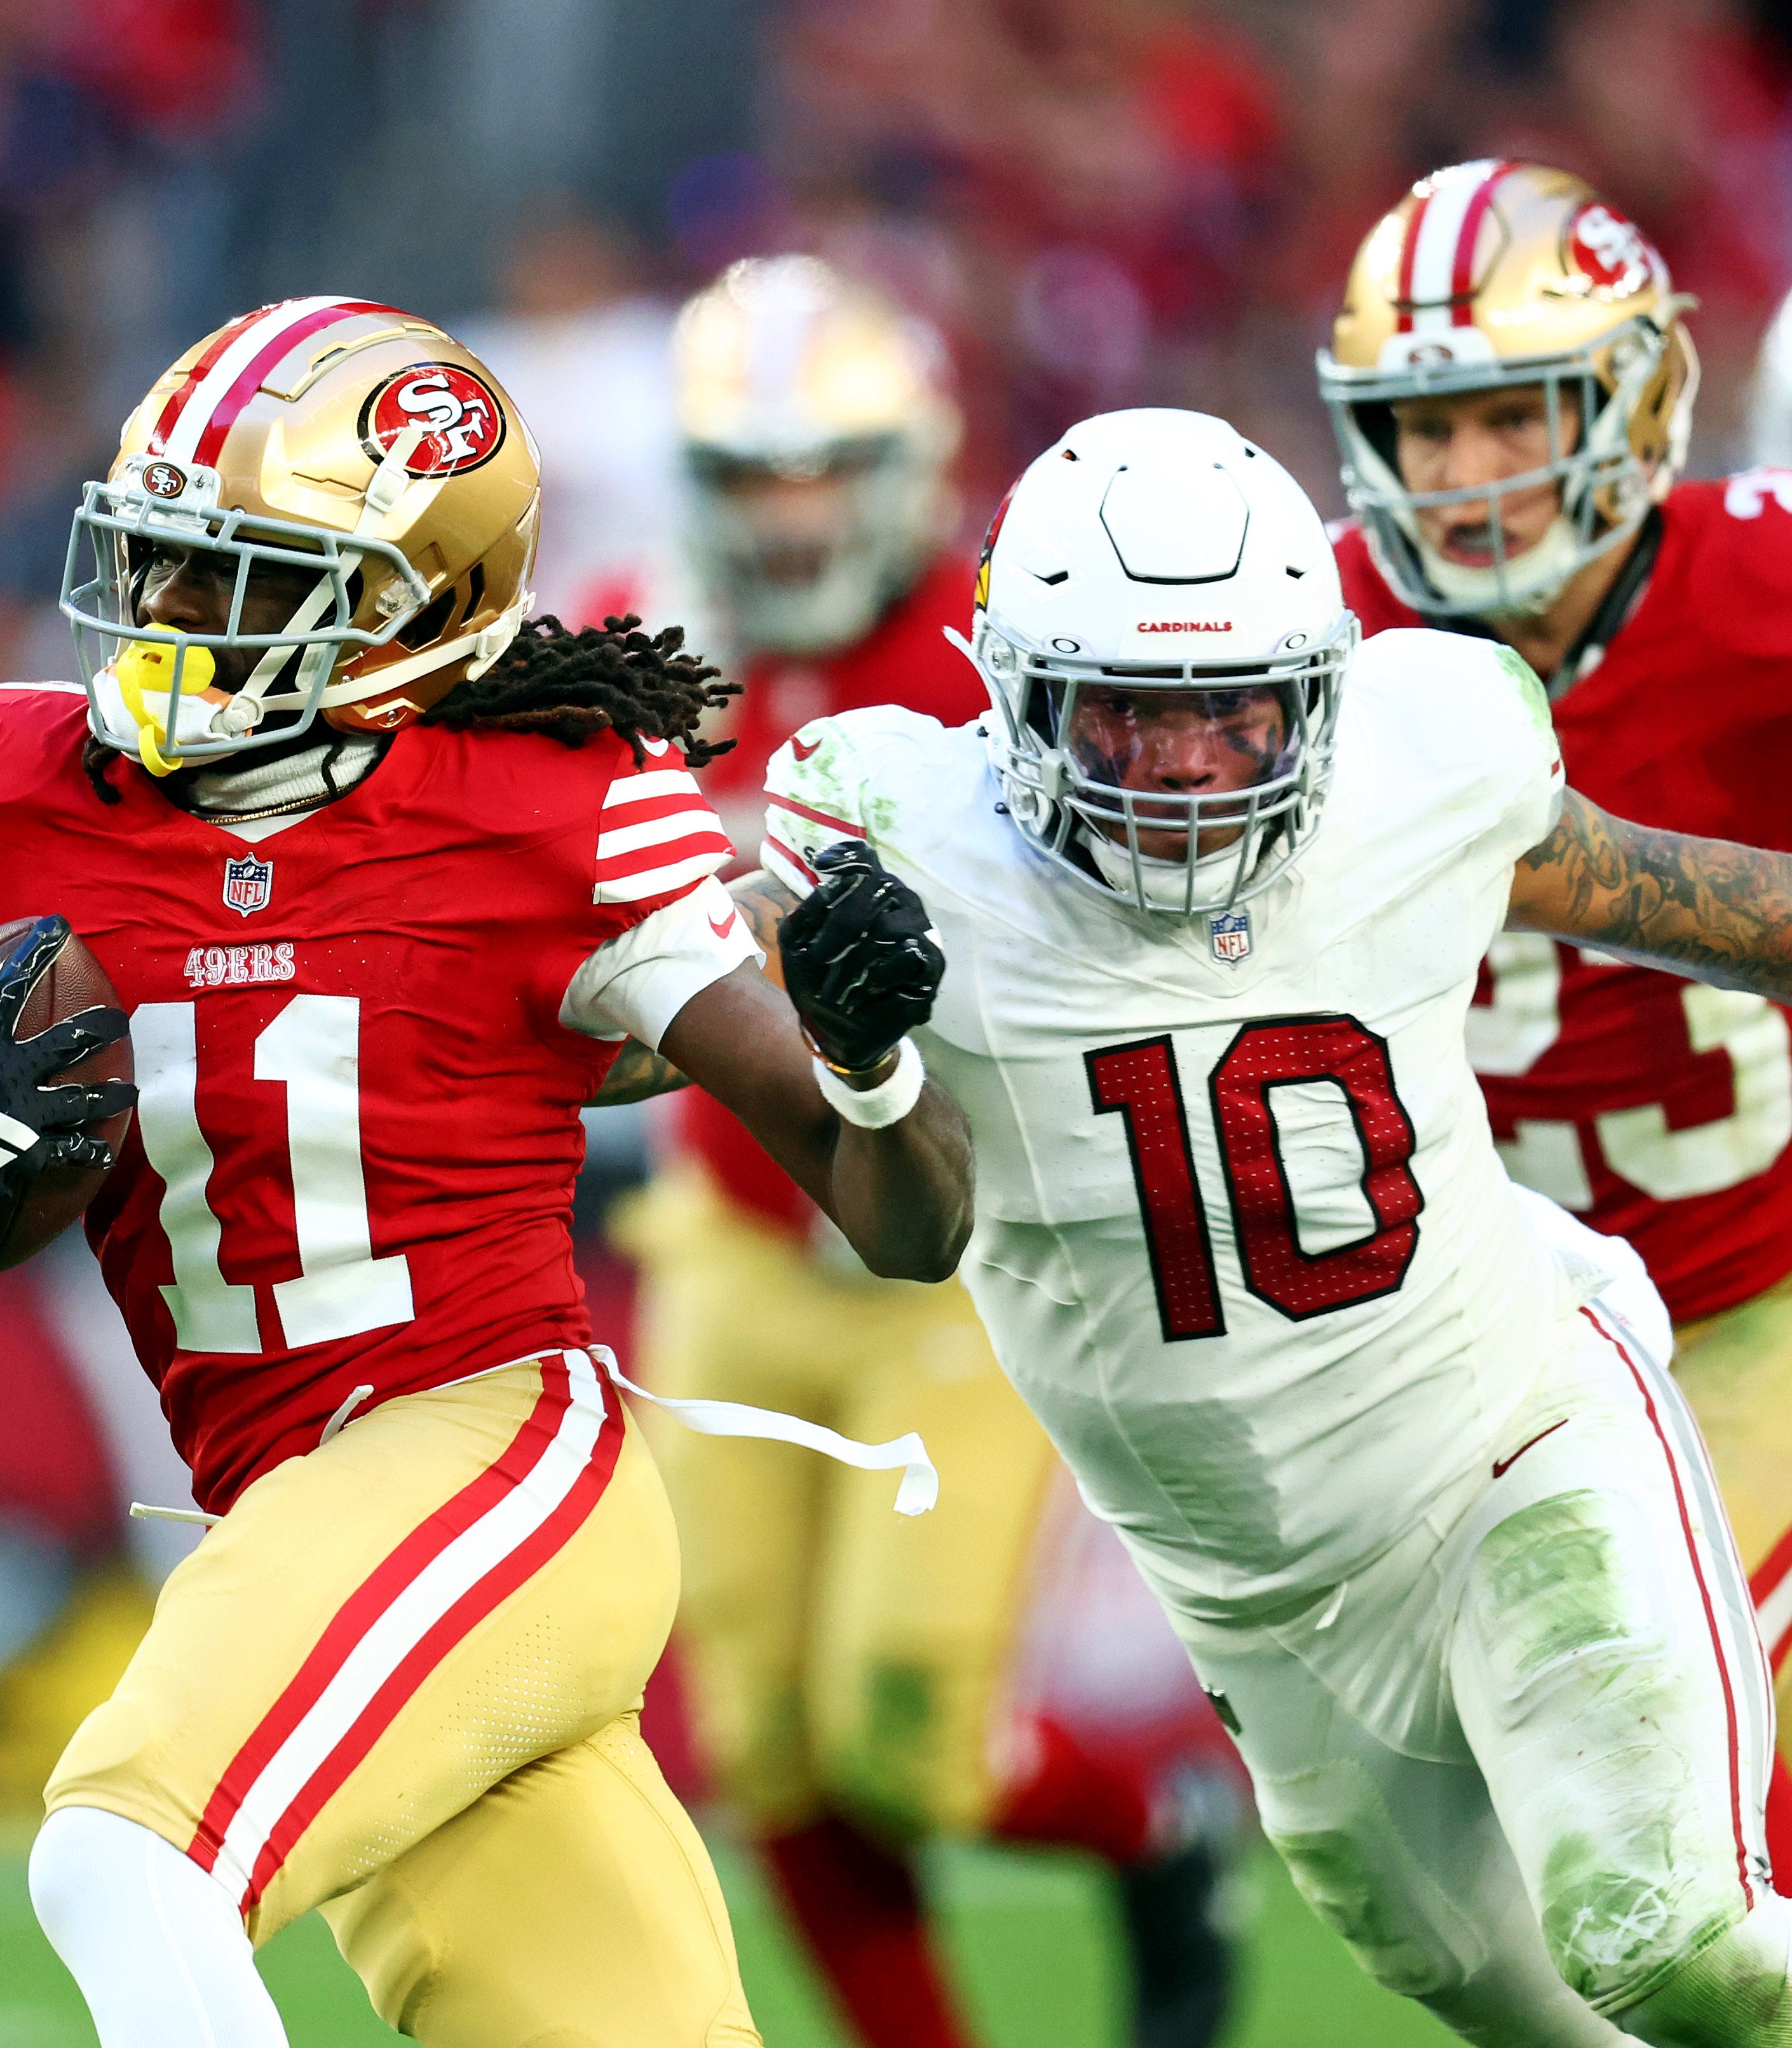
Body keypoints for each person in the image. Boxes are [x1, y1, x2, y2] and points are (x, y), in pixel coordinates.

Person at [0, 298, 975, 2048]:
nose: (170, 621)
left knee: (129, 1853)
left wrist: (872, 1057)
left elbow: (906, 1222)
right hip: (291, 1522)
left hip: (496, 1458)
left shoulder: (539, 798)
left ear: (406, 611)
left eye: (243, 579)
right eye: (156, 560)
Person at [620, 401, 1792, 2045]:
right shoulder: (908, 838)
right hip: (1258, 1602)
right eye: (1124, 714)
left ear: (1313, 686)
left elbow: (1669, 896)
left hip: (1513, 1446)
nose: (1181, 766)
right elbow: (738, 1102)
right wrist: (853, 1054)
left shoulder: (1423, 755)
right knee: (1569, 2027)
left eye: (1233, 714)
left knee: (1674, 1951)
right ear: (1016, 696)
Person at [611, 253, 1248, 2048]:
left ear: (909, 462)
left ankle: (1154, 1827)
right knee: (764, 1753)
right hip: (731, 1242)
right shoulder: (621, 641)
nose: (789, 511)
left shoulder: (1006, 660)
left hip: (953, 1258)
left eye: (823, 466)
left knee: (908, 1739)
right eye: (750, 475)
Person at [1319, 159, 1792, 1878]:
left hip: (1752, 1291)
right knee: (1478, 1885)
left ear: (1633, 396)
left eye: (1509, 417)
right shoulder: (1295, 638)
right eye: (1421, 429)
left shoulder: (1762, 604)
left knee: (1709, 1830)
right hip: (1471, 1343)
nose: (1461, 478)